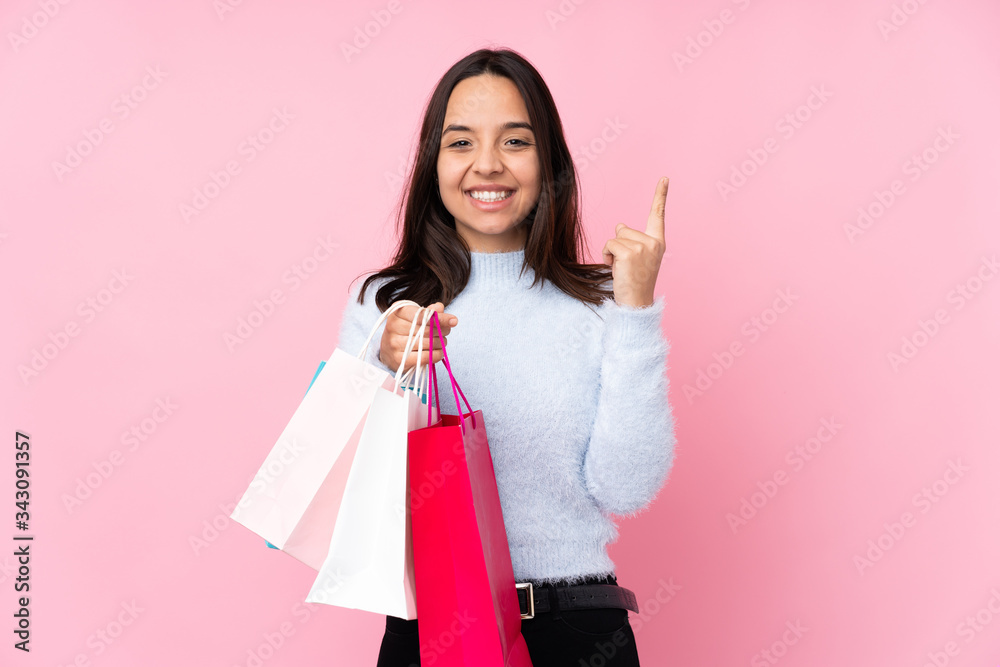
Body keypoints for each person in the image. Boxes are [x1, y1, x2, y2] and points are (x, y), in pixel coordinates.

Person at [335, 47, 676, 667]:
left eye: (514, 142)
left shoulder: (603, 302)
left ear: (548, 160)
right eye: (460, 143)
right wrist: (385, 368)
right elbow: (352, 499)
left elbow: (626, 488)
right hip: (434, 627)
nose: (487, 166)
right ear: (432, 163)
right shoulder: (384, 303)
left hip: (578, 632)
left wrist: (636, 313)